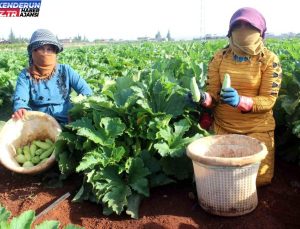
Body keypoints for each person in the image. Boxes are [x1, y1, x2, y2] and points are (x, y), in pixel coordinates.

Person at [193, 7, 282, 186]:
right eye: (238, 25)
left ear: (260, 31)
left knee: (259, 180)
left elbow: (269, 100)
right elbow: (213, 96)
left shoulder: (269, 60)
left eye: (249, 26)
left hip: (257, 128)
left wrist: (241, 101)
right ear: (230, 30)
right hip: (224, 127)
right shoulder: (219, 57)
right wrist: (203, 99)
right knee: (217, 177)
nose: (243, 29)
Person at [12, 29, 93, 124]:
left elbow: (87, 92)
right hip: (38, 123)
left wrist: (76, 109)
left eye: (49, 49)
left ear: (55, 52)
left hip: (67, 120)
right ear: (33, 52)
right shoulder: (26, 75)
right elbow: (20, 97)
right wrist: (21, 107)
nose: (45, 53)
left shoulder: (66, 70)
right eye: (41, 49)